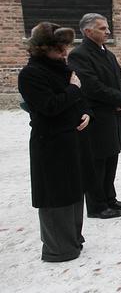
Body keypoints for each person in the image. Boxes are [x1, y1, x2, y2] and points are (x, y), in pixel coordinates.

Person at [18, 22, 93, 262]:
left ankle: (73, 239)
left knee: (74, 191)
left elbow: (81, 98)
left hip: (72, 142)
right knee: (55, 196)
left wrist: (87, 113)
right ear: (42, 49)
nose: (65, 53)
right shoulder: (31, 74)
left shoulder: (64, 68)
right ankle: (58, 248)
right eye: (59, 50)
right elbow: (49, 107)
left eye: (66, 48)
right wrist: (73, 90)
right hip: (50, 144)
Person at [68, 13, 121, 219]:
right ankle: (97, 206)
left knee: (112, 157)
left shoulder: (108, 53)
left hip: (114, 115)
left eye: (107, 28)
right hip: (98, 116)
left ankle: (109, 198)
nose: (108, 31)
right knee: (97, 162)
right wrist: (120, 99)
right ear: (88, 31)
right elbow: (91, 86)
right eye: (103, 28)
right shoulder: (80, 55)